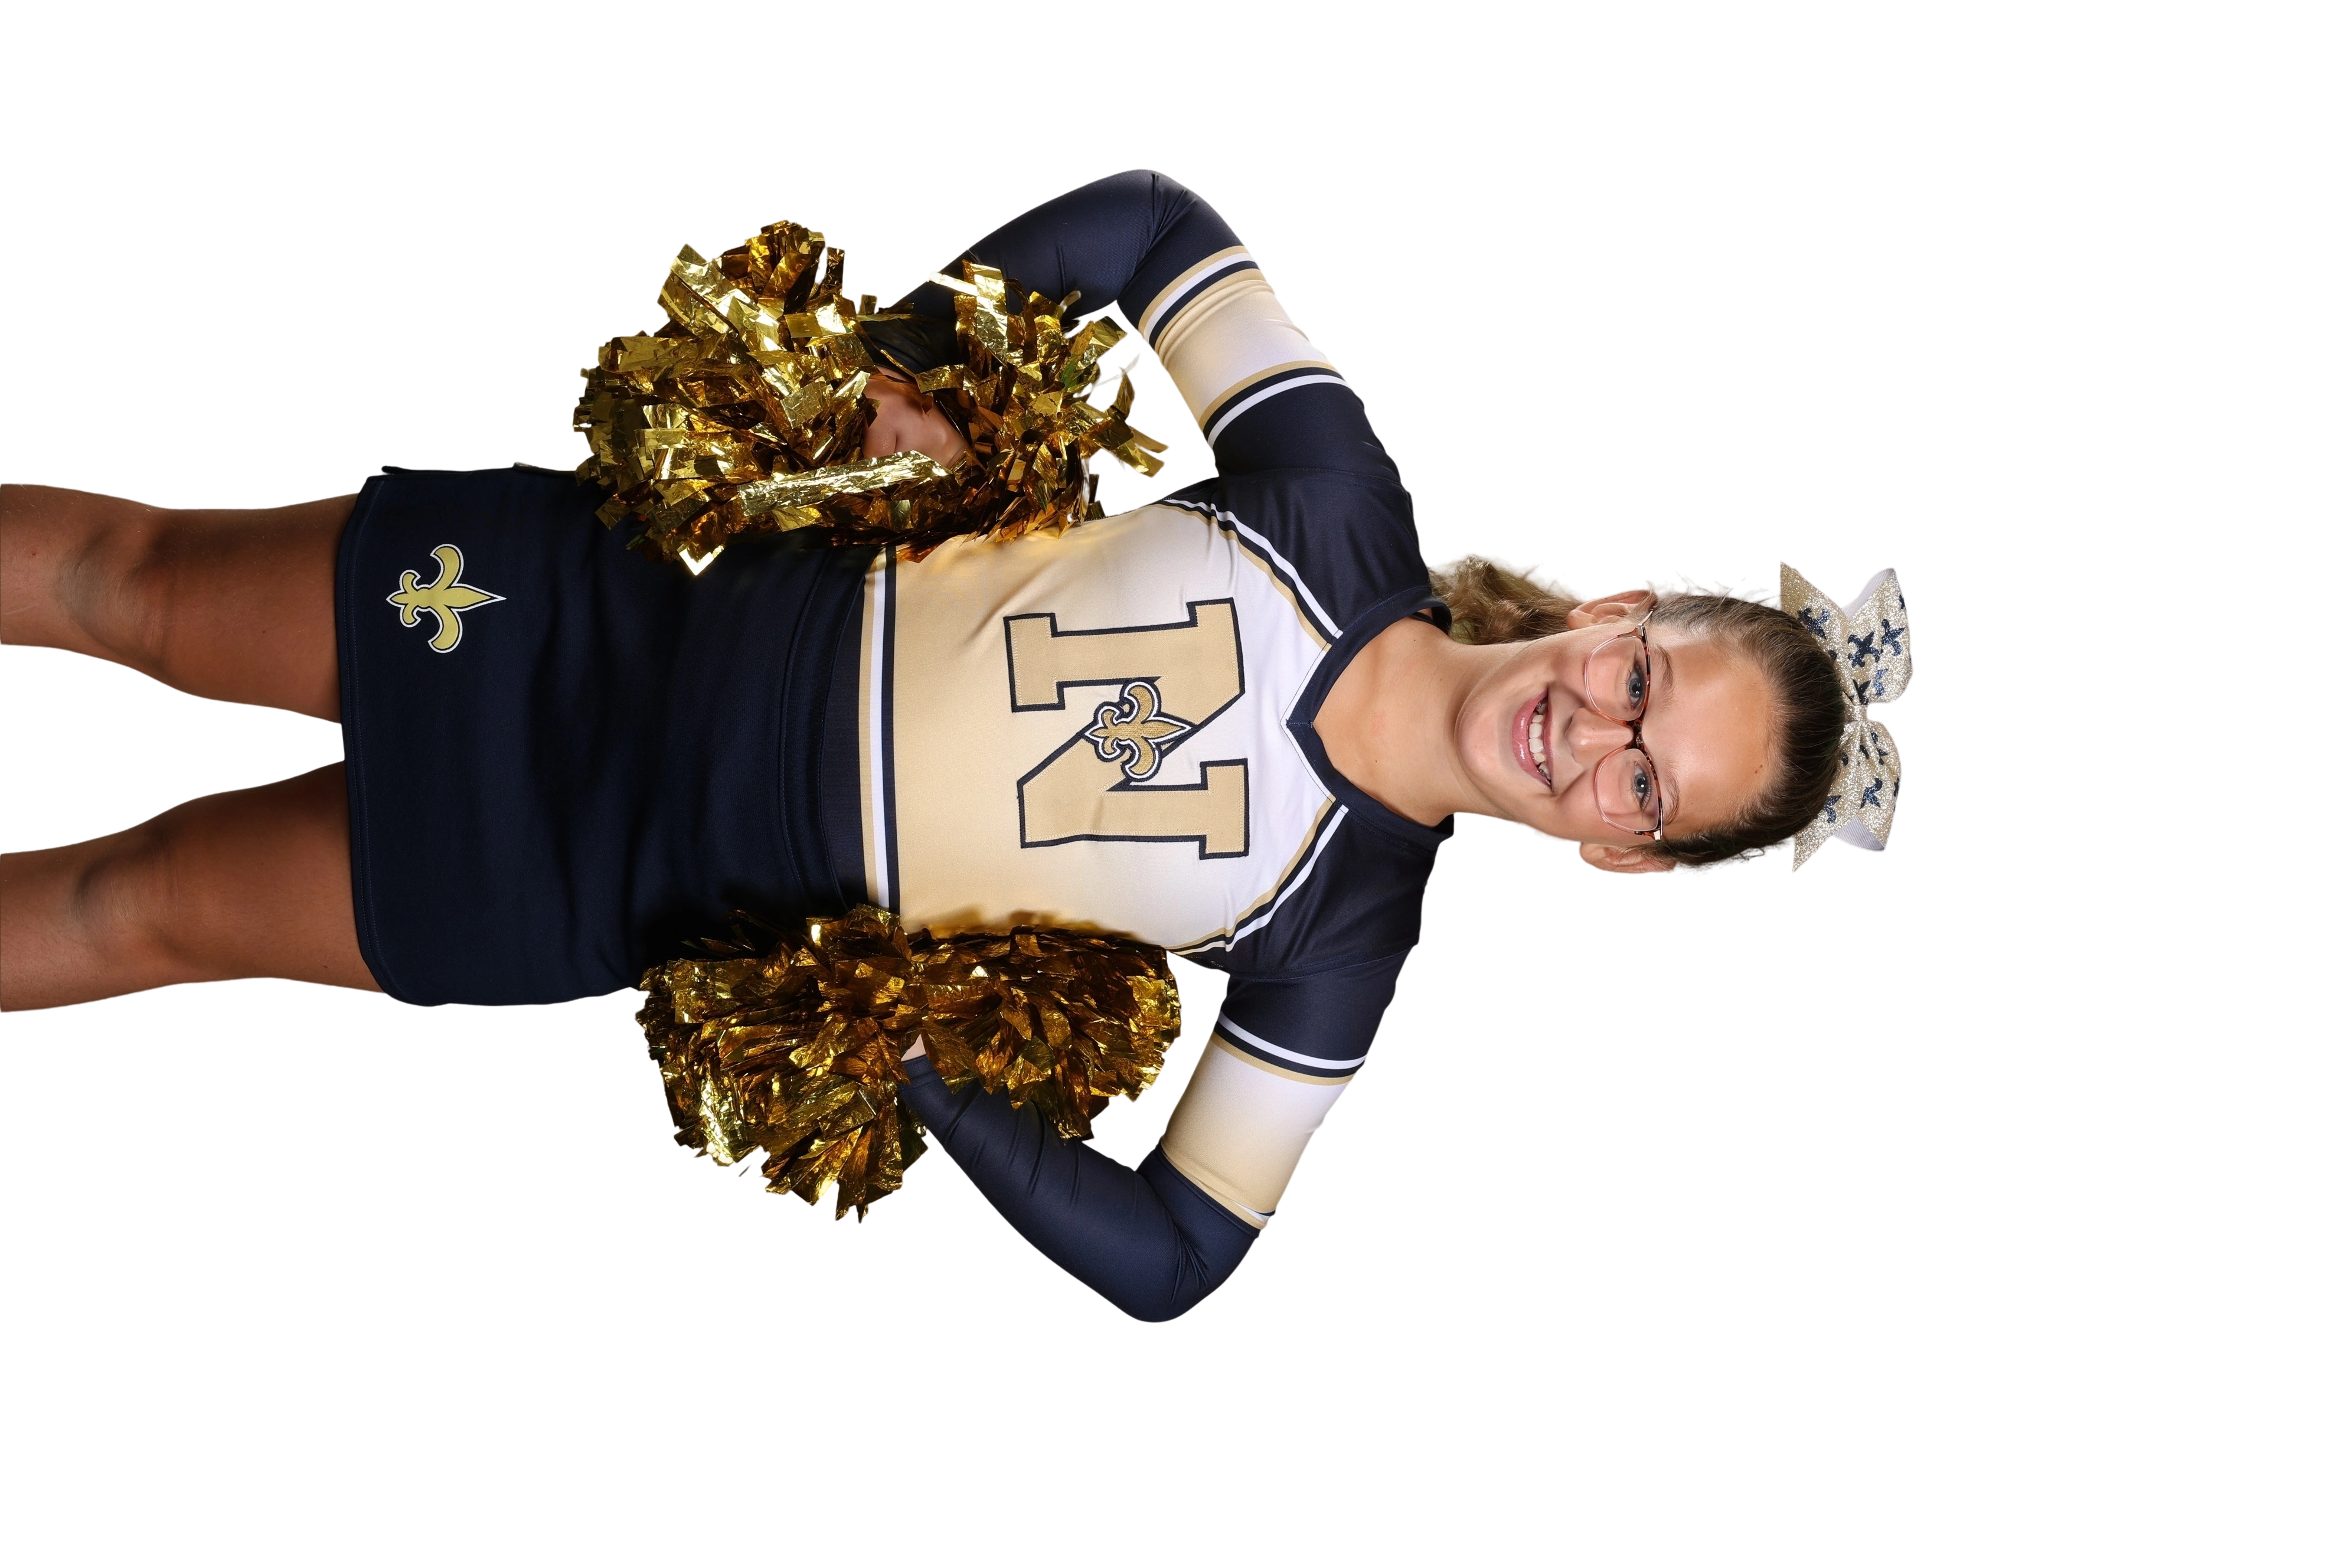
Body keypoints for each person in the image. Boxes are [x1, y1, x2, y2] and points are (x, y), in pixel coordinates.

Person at [0, 170, 1859, 1321]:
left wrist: (926, 1078)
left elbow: (1179, 1253)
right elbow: (1160, 227)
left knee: (139, 907)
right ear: (1626, 609)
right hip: (635, 593)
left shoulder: (1341, 944)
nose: (1594, 735)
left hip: (620, 882)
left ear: (1623, 853)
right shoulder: (1333, 498)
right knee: (134, 581)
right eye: (1644, 682)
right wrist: (925, 362)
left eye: (1646, 784)